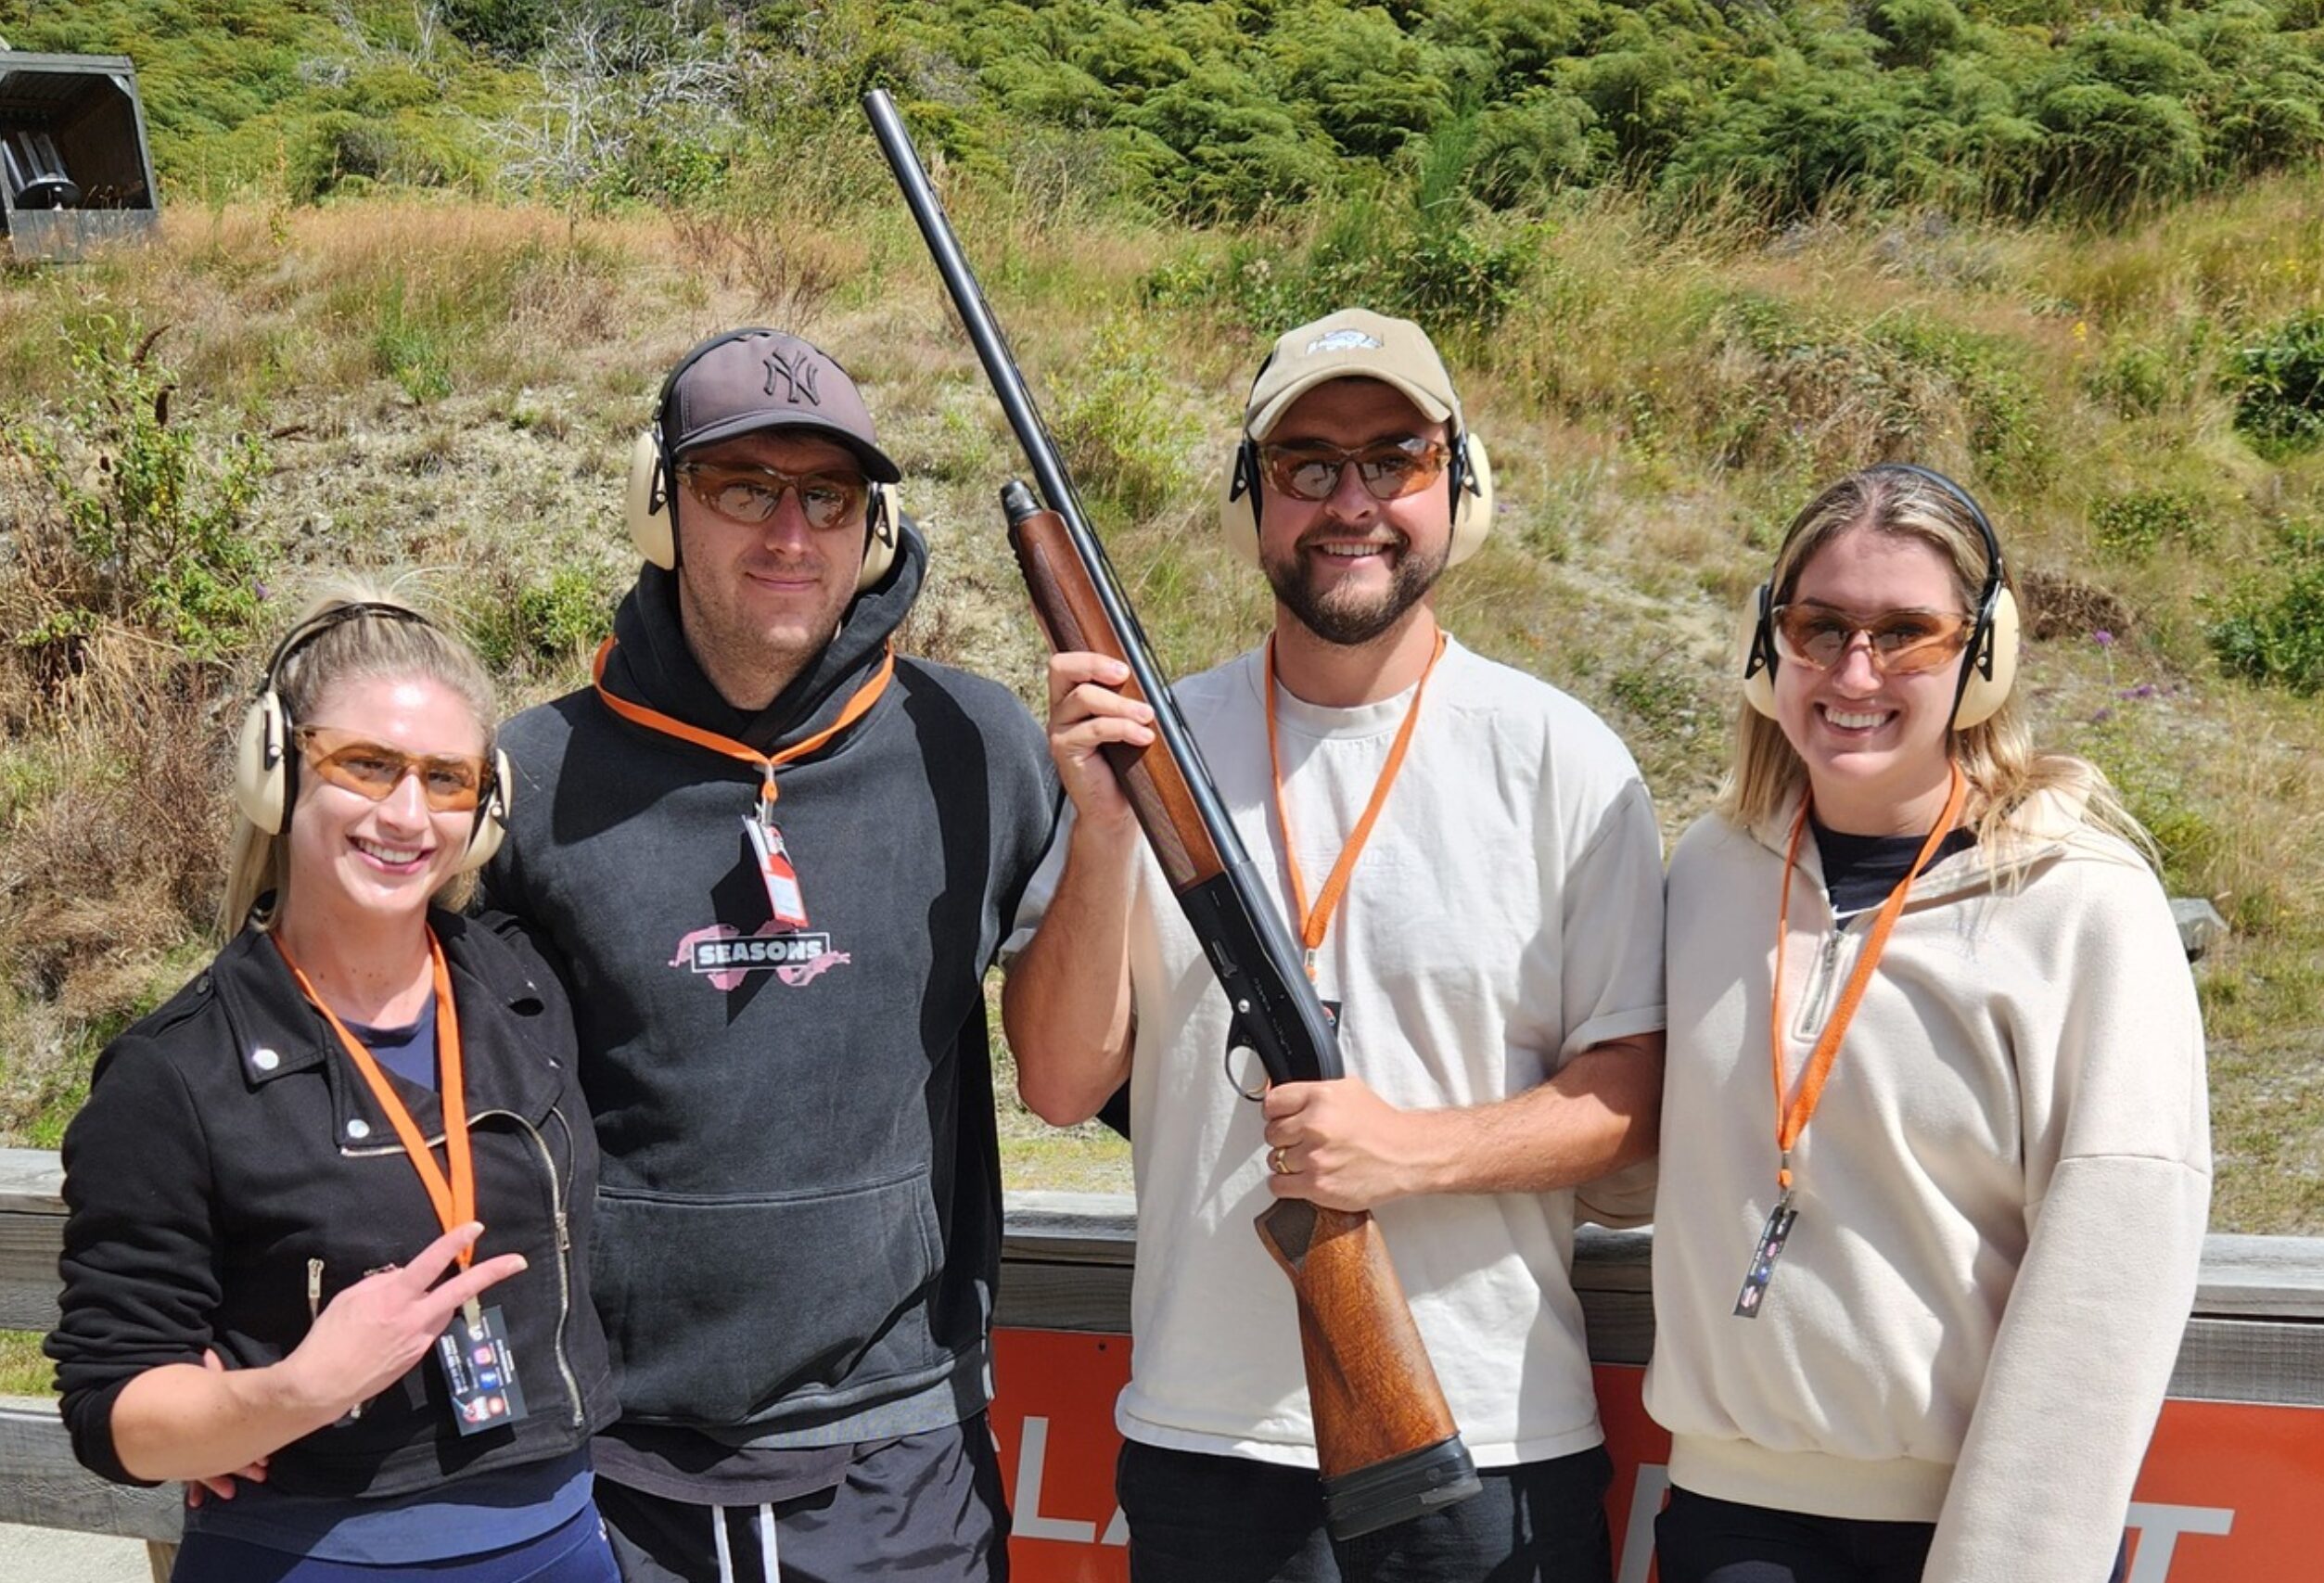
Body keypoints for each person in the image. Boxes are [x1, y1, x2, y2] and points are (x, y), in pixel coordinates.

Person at [1002, 307, 1668, 1583]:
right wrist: (1097, 826)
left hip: (1485, 1438)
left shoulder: (1560, 759)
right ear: (1254, 500)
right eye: (1307, 463)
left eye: (1393, 460)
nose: (1348, 500)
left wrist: (1404, 1150)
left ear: (1453, 485)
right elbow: (1058, 1081)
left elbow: (1631, 1096)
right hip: (1207, 1441)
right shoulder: (1152, 747)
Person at [479, 327, 1056, 1582]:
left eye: (827, 494)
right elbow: (409, 1086)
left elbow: (1090, 1066)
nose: (789, 533)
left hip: (899, 1453)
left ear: (874, 526)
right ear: (660, 505)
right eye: (741, 486)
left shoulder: (981, 747)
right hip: (612, 1452)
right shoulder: (531, 776)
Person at [1643, 465, 2211, 1583]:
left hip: (1968, 1534)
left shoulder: (2081, 904)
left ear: (1980, 658)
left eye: (1907, 633)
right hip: (1724, 1516)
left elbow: (2110, 1273)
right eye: (1821, 627)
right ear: (1771, 646)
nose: (1856, 671)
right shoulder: (1709, 872)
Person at [48, 594, 620, 1582]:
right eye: (365, 765)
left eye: (447, 780)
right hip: (312, 1559)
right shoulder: (174, 1072)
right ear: (276, 771)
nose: (406, 814)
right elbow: (113, 1413)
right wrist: (289, 1394)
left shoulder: (526, 985)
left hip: (562, 1543)